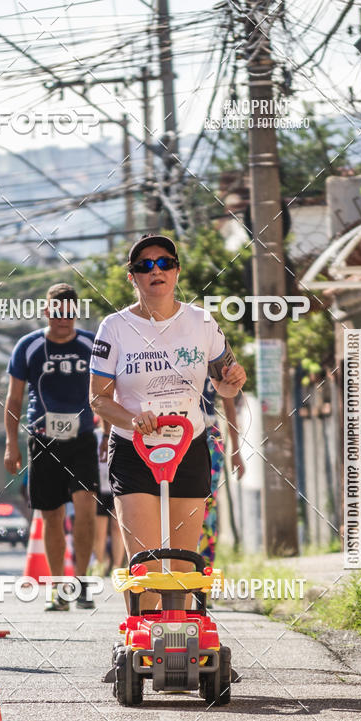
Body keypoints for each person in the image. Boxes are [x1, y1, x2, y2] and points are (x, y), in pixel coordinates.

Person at [89, 234, 246, 611]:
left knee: (181, 568)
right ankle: (138, 650)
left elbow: (226, 382)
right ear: (133, 278)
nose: (155, 270)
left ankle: (182, 654)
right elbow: (98, 399)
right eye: (144, 265)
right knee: (146, 568)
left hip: (188, 446)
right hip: (133, 449)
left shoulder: (201, 323)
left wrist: (232, 381)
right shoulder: (114, 328)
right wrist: (132, 418)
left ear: (177, 271)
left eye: (164, 263)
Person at [4, 283, 98, 610]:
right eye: (58, 314)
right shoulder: (28, 347)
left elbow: (108, 389)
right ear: (47, 313)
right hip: (42, 440)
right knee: (52, 515)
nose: (64, 320)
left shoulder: (90, 343)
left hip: (83, 439)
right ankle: (60, 589)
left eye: (70, 314)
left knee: (86, 508)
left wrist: (109, 432)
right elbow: (14, 399)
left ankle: (83, 581)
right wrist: (10, 446)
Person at [199, 376, 245, 567]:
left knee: (207, 504)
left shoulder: (216, 352)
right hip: (172, 435)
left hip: (209, 436)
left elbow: (229, 403)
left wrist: (236, 450)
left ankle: (204, 569)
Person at [92, 418, 125, 575]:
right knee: (99, 531)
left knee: (117, 527)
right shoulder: (95, 436)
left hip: (116, 487)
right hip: (99, 487)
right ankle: (100, 562)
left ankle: (116, 566)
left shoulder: (120, 433)